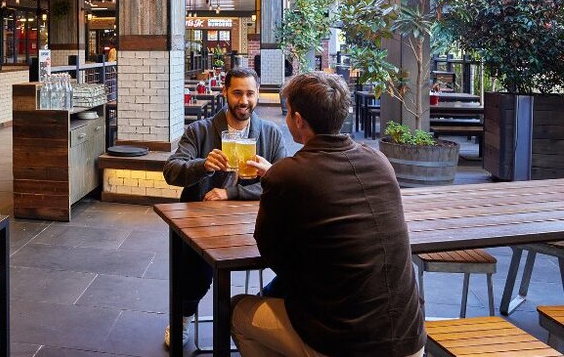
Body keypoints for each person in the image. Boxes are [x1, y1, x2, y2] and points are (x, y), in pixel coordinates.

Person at [231, 72, 425, 357]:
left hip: (345, 345)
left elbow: (272, 254)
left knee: (237, 311)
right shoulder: (379, 161)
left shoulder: (289, 174)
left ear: (298, 121)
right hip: (409, 341)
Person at [162, 67, 287, 348]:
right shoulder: (200, 130)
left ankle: (263, 310)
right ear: (225, 93)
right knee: (195, 268)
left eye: (250, 93)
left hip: (253, 223)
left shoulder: (270, 133)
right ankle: (182, 316)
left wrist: (231, 192)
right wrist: (202, 165)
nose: (244, 101)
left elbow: (282, 180)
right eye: (237, 93)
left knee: (293, 255)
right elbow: (171, 171)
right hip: (205, 223)